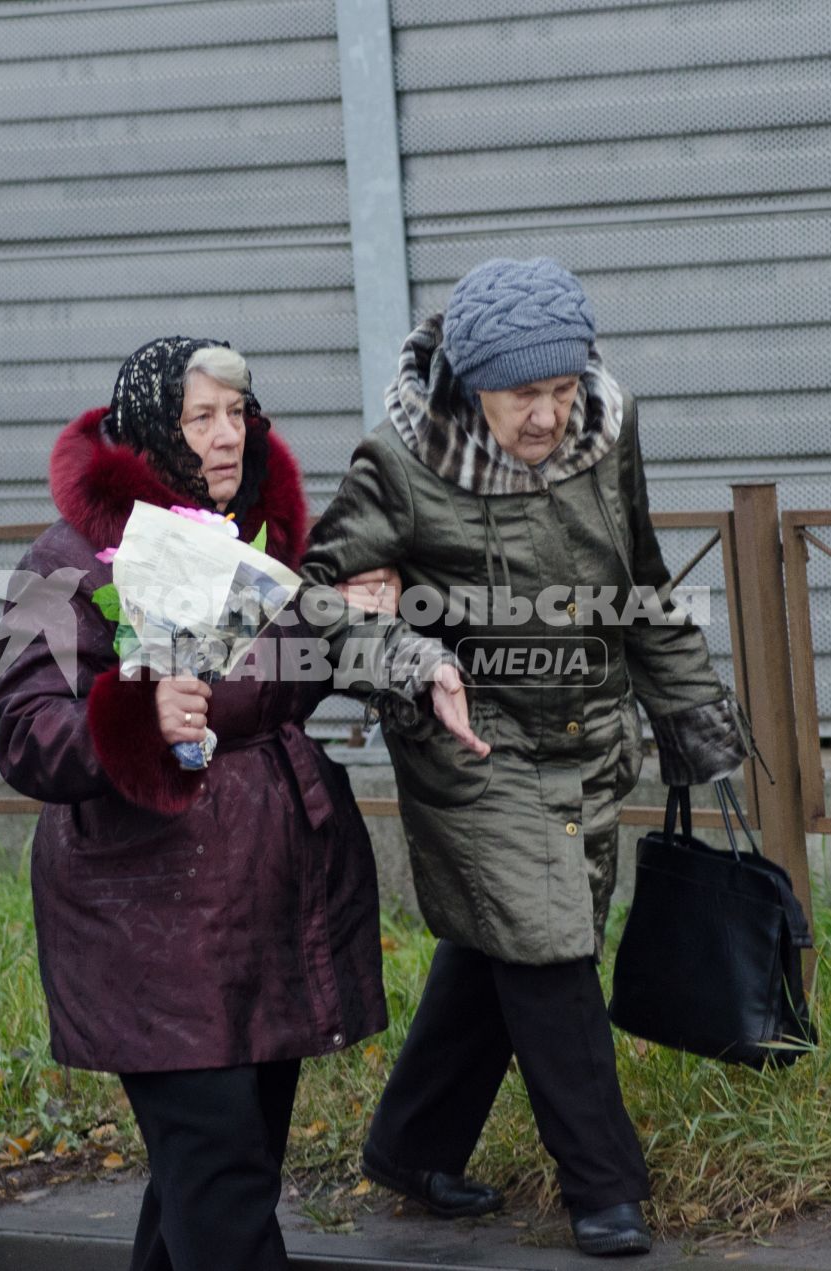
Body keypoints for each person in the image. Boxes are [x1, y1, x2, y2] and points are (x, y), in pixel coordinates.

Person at [0, 336, 477, 1271]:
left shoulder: (264, 541)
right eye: (198, 416)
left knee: (209, 1185)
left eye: (237, 414)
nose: (227, 437)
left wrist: (411, 649)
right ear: (145, 430)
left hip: (269, 906)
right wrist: (132, 714)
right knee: (226, 1198)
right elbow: (21, 726)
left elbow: (327, 653)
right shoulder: (69, 560)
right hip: (149, 925)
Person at [303, 259, 750, 1258]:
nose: (547, 417)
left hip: (591, 736)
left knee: (507, 931)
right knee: (549, 946)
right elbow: (309, 598)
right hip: (472, 742)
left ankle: (412, 1142)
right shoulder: (399, 462)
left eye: (561, 391)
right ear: (470, 383)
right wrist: (409, 656)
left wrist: (688, 710)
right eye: (523, 397)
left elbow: (638, 567)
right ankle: (606, 1185)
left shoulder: (609, 427)